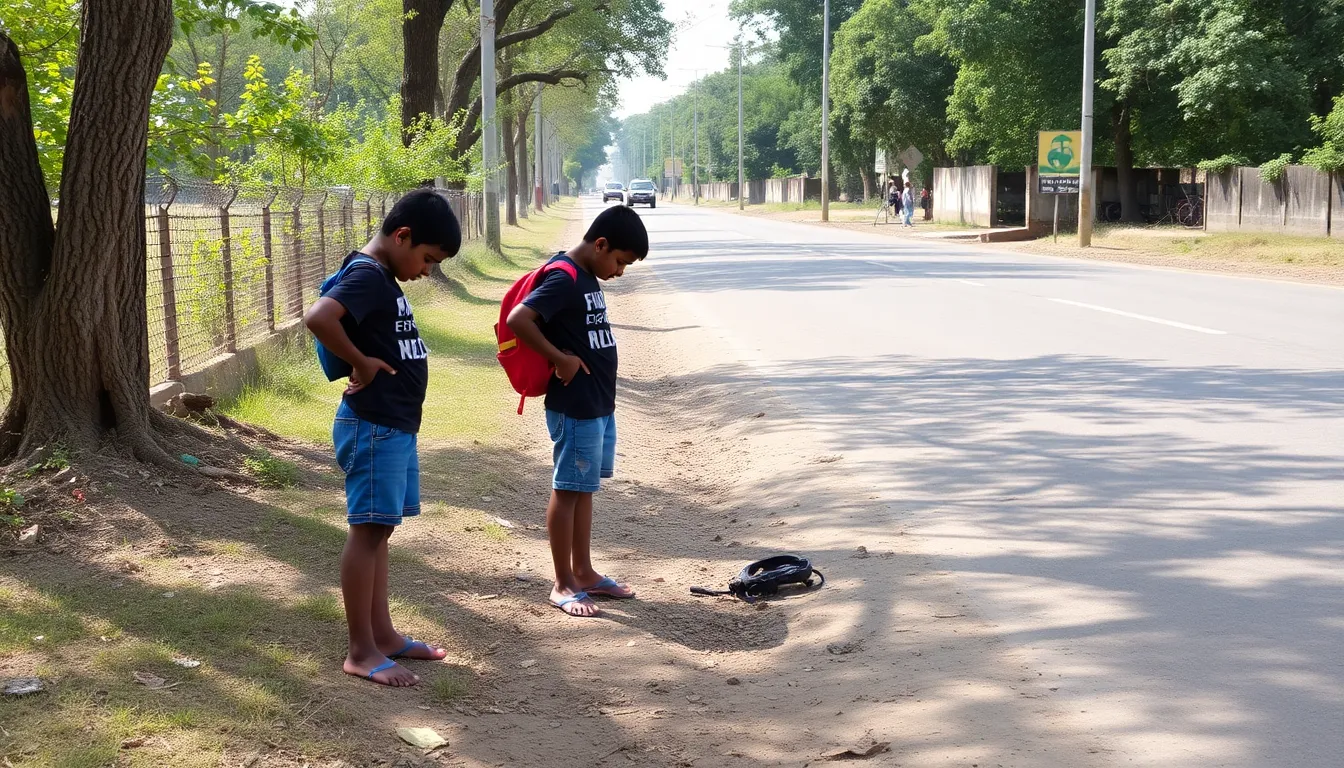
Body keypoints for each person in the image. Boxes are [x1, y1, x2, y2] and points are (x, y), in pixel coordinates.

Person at [303, 190, 462, 686]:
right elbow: (319, 317)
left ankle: (384, 635)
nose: (426, 270)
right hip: (372, 424)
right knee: (367, 531)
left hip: (392, 426)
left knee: (381, 530)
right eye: (427, 259)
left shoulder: (380, 276)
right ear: (402, 236)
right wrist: (360, 361)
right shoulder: (368, 275)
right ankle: (361, 650)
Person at [506, 206, 649, 618]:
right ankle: (562, 583)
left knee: (584, 489)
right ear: (600, 244)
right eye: (619, 261)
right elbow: (520, 319)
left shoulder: (586, 276)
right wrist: (558, 358)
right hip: (575, 405)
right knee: (567, 489)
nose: (620, 271)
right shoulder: (564, 276)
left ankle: (583, 571)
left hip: (597, 404)